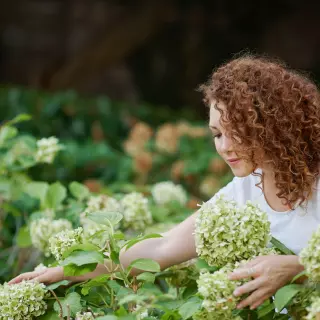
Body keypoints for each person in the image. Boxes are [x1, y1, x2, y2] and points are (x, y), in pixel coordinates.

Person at [9, 54, 320, 311]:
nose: (224, 147)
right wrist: (63, 272)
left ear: (272, 125)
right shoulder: (242, 195)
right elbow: (162, 247)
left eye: (235, 131)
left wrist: (296, 266)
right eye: (217, 134)